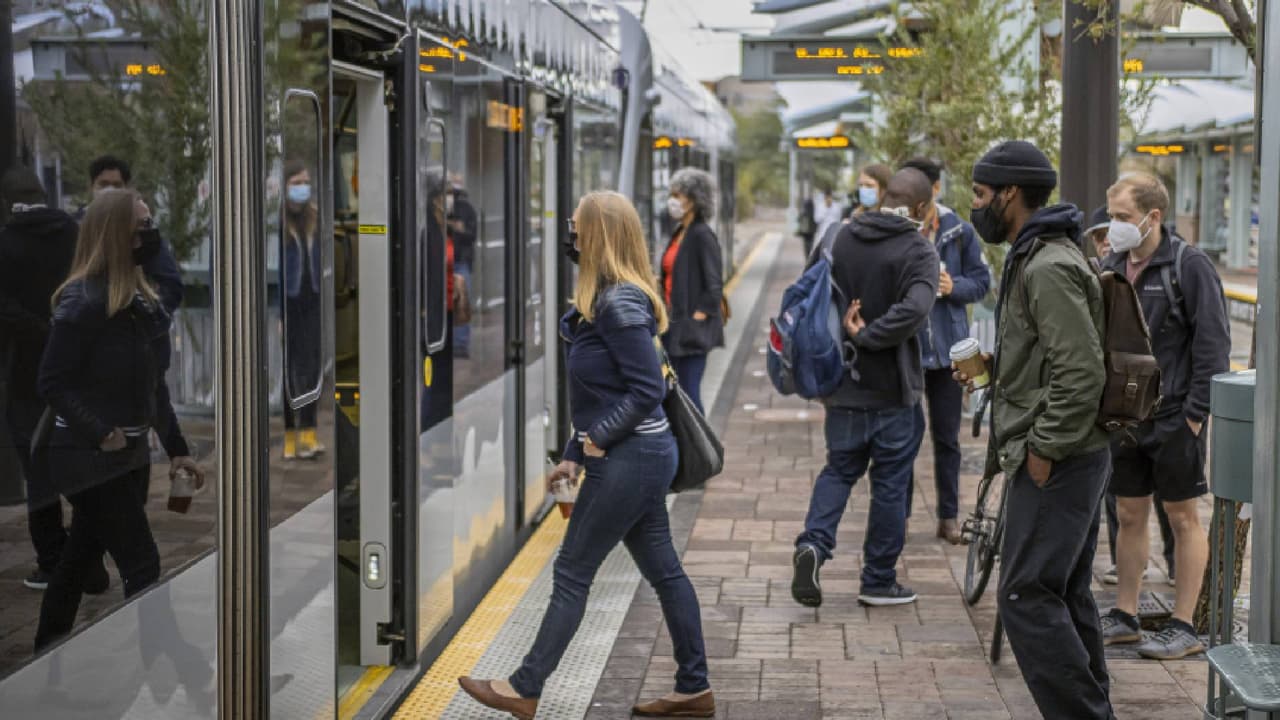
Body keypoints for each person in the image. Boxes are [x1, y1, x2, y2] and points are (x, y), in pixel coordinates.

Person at [459, 191, 713, 719]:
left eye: (575, 230)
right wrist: (575, 451)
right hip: (638, 453)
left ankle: (524, 687)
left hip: (633, 455)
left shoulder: (619, 305)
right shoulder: (608, 298)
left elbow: (646, 388)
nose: (569, 239)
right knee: (664, 571)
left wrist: (599, 437)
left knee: (573, 571)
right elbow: (603, 391)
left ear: (597, 235)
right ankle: (694, 688)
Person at [956, 141, 1112, 719]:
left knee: (1024, 595)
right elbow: (1054, 358)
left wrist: (1043, 450)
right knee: (1062, 590)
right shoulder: (1038, 254)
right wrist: (996, 372)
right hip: (1072, 452)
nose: (976, 205)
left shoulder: (1047, 264)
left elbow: (1080, 371)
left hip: (1060, 458)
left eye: (979, 194)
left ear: (1009, 194)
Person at [34, 188, 203, 651]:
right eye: (141, 226)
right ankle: (174, 670)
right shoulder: (83, 303)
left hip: (127, 455)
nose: (150, 234)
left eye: (150, 223)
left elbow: (156, 388)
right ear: (115, 235)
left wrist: (179, 451)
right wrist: (99, 430)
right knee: (142, 562)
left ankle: (46, 658)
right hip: (85, 458)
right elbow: (52, 382)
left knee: (78, 557)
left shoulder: (143, 303)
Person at [791, 168, 938, 609]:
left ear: (881, 197)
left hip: (842, 384)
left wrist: (848, 336)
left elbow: (808, 295)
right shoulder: (918, 250)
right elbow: (916, 309)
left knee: (838, 470)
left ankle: (813, 545)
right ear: (920, 208)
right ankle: (877, 580)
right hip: (894, 391)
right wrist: (868, 335)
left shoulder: (839, 236)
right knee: (891, 484)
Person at [1099, 172, 1229, 660]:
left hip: (1175, 415)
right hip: (1125, 417)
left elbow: (1214, 346)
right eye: (1111, 216)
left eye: (1122, 218)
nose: (1114, 227)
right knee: (1129, 513)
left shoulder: (1187, 266)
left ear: (1153, 217)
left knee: (1182, 516)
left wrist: (1195, 415)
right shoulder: (1110, 264)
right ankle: (1126, 613)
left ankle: (1184, 624)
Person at [0, 167, 109, 593]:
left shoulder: (5, 243)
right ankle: (90, 561)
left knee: (38, 471)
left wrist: (37, 329)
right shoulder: (73, 235)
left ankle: (52, 562)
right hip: (77, 368)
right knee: (81, 463)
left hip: (27, 372)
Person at [1084, 203, 1178, 586]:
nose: (1108, 239)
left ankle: (1174, 561)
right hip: (1119, 403)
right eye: (1100, 236)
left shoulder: (1174, 268)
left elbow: (1207, 343)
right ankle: (1125, 567)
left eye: (1116, 227)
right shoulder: (1103, 273)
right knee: (1122, 499)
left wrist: (1193, 412)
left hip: (1167, 403)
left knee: (1172, 499)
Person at [900, 158, 991, 544]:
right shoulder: (897, 229)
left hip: (948, 352)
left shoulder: (959, 231)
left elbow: (982, 282)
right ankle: (897, 519)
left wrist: (955, 287)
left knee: (947, 437)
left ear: (934, 190)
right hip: (906, 348)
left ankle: (948, 517)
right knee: (902, 436)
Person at [659, 167, 725, 414]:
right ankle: (686, 446)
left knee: (688, 393)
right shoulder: (680, 233)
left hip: (690, 333)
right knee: (676, 393)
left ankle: (702, 448)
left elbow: (714, 286)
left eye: (679, 195)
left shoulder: (702, 235)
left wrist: (696, 319)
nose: (673, 200)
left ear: (695, 200)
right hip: (673, 329)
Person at [281, 162, 326, 460]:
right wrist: (279, 316)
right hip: (288, 304)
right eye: (297, 181)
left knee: (310, 369)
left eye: (306, 181)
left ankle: (308, 434)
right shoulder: (277, 222)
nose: (303, 187)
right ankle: (289, 438)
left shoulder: (314, 217)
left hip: (311, 302)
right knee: (288, 370)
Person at [447, 174, 477, 357]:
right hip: (446, 261)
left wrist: (459, 228)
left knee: (461, 301)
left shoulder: (467, 209)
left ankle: (460, 344)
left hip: (459, 261)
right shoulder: (438, 210)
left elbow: (471, 235)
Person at [799, 193, 817, 258]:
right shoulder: (813, 211)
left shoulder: (804, 211)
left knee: (806, 246)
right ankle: (809, 256)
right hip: (811, 231)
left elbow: (799, 219)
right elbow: (816, 221)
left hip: (805, 231)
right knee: (811, 244)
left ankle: (807, 256)